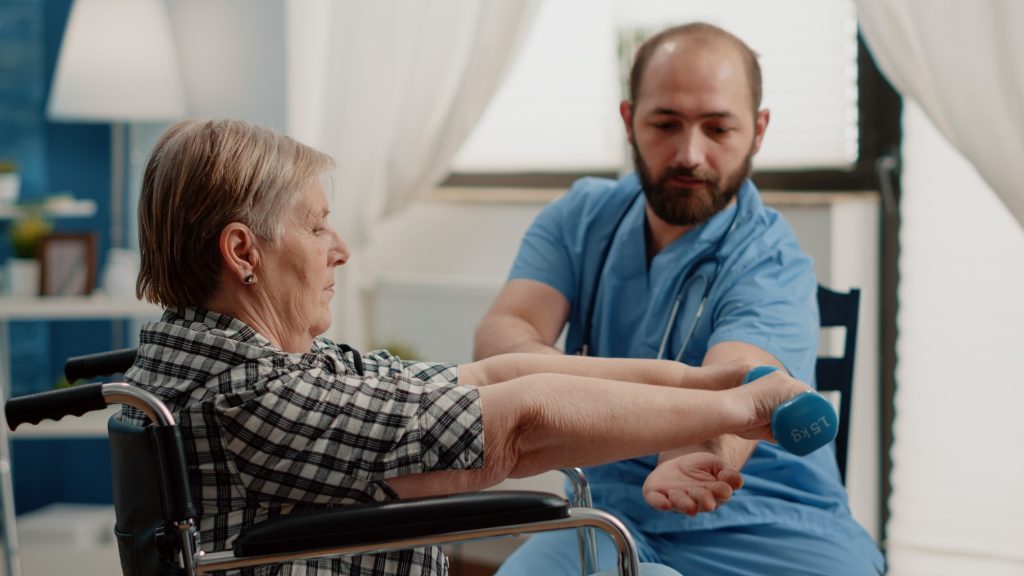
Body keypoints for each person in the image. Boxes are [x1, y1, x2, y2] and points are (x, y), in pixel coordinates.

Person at [121, 118, 818, 576]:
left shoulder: (234, 359)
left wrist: (707, 385)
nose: (341, 250)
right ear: (243, 252)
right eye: (316, 228)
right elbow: (519, 428)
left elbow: (495, 372)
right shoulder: (259, 397)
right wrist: (740, 412)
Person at [474, 22, 885, 576]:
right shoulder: (580, 217)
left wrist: (697, 461)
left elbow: (743, 388)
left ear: (759, 131)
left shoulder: (772, 262)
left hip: (766, 523)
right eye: (666, 124)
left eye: (718, 128)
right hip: (609, 512)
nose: (689, 154)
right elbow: (505, 332)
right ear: (629, 121)